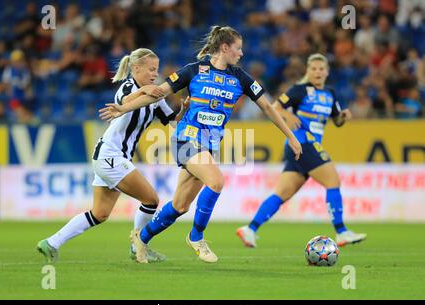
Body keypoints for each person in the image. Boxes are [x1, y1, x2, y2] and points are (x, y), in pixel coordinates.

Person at [99, 26, 302, 263]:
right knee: (216, 181)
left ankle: (141, 239)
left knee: (180, 206)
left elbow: (267, 106)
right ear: (225, 48)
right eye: (238, 48)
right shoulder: (193, 70)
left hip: (208, 144)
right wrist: (124, 107)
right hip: (186, 138)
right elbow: (158, 94)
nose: (241, 53)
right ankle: (196, 237)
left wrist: (290, 135)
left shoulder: (241, 77)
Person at [37, 48, 188, 263]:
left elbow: (174, 123)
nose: (155, 74)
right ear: (136, 68)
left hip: (112, 157)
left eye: (157, 70)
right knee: (151, 200)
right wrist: (145, 91)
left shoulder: (155, 96)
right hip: (111, 155)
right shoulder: (128, 87)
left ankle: (51, 243)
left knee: (100, 213)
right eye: (151, 69)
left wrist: (185, 110)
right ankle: (138, 247)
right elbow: (124, 101)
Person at [236, 53, 367, 248]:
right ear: (308, 71)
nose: (317, 72)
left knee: (282, 193)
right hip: (303, 143)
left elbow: (336, 121)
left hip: (304, 147)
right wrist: (287, 117)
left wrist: (343, 116)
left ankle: (250, 229)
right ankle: (341, 232)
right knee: (333, 181)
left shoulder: (330, 93)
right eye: (313, 69)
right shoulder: (300, 90)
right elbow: (275, 107)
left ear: (327, 72)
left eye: (321, 69)